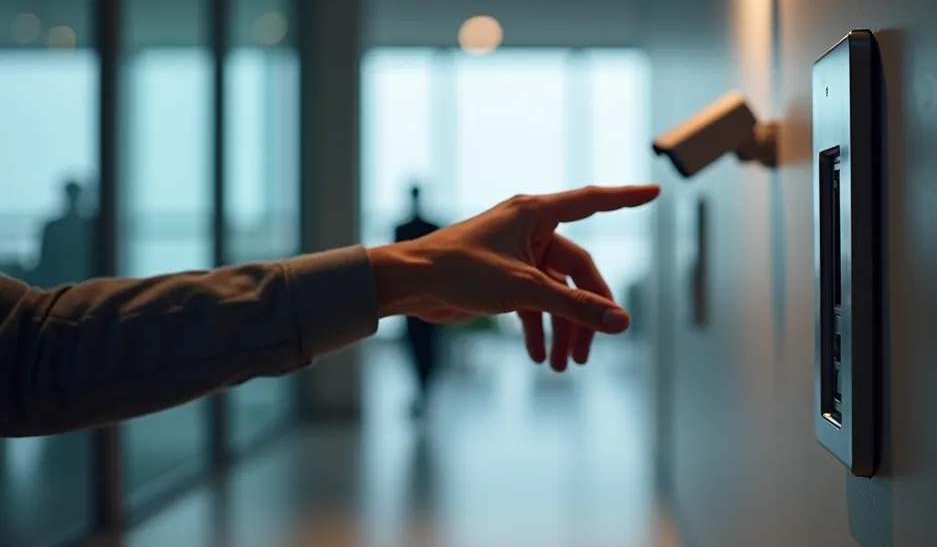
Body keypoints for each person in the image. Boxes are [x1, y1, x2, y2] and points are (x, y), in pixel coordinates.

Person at [0, 184, 660, 437]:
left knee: (423, 345)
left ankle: (422, 395)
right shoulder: (416, 226)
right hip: (418, 303)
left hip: (420, 303)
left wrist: (402, 276)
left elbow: (29, 351)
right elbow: (35, 352)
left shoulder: (414, 227)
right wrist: (404, 275)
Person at [395, 184, 442, 418]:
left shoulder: (402, 229)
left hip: (414, 298)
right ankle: (423, 391)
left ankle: (423, 391)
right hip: (425, 298)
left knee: (422, 349)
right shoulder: (431, 227)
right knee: (422, 349)